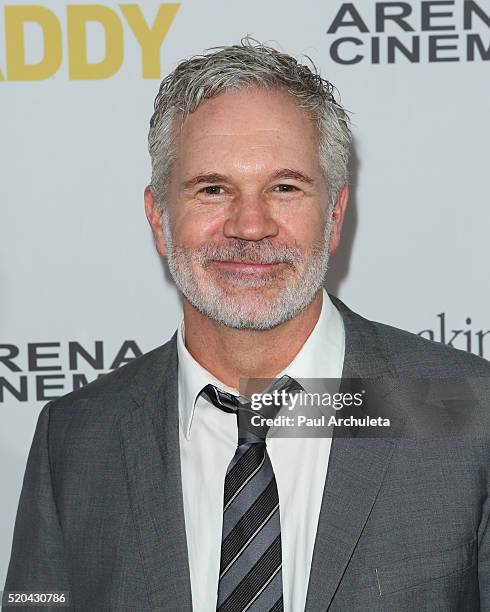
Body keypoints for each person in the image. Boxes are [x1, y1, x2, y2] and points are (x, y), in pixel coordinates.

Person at [4, 39, 490, 612]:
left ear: (334, 215)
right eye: (213, 189)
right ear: (159, 219)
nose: (251, 225)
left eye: (284, 188)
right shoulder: (76, 437)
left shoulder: (468, 411)